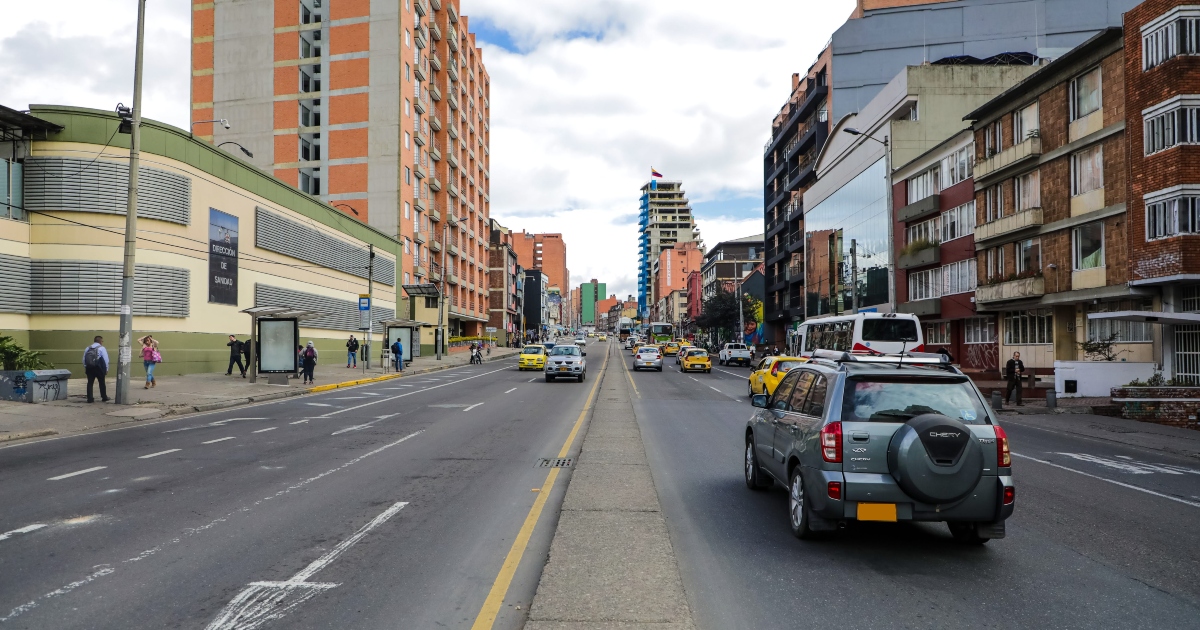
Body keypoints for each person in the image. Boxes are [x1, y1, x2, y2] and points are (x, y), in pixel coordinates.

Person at [82, 335, 110, 403]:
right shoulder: (102, 348)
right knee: (102, 382)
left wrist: (86, 366)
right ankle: (104, 397)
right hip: (98, 368)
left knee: (90, 383)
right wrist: (106, 368)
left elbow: (84, 359)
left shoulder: (88, 348)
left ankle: (90, 398)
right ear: (100, 341)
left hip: (89, 368)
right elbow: (106, 359)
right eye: (102, 341)